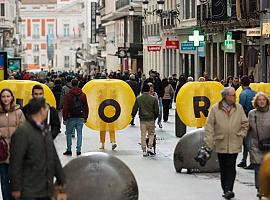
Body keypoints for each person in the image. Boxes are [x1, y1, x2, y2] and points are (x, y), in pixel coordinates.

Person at [10, 97, 65, 200]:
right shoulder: (22, 133)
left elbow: (53, 156)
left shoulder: (44, 130)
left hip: (45, 188)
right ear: (41, 110)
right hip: (28, 191)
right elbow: (16, 162)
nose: (47, 110)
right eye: (46, 108)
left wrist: (61, 179)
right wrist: (16, 187)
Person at [204, 87, 249, 199]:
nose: (234, 97)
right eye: (232, 95)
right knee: (223, 167)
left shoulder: (239, 108)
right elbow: (209, 126)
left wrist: (242, 134)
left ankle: (229, 189)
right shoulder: (215, 109)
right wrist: (209, 142)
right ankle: (225, 188)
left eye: (234, 95)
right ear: (225, 96)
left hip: (235, 141)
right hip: (221, 142)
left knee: (231, 166)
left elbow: (245, 123)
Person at [0, 89, 25, 200]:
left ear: (12, 98)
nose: (5, 99)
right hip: (2, 152)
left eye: (8, 96)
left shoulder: (18, 112)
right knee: (4, 181)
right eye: (3, 96)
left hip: (16, 152)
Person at [248, 92, 270, 198]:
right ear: (256, 102)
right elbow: (247, 128)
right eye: (259, 100)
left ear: (267, 101)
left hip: (269, 145)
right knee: (258, 168)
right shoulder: (252, 113)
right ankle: (259, 188)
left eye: (263, 99)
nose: (261, 101)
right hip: (256, 144)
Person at [62, 79, 89, 156]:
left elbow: (65, 107)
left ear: (71, 84)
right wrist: (86, 117)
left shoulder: (68, 95)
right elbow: (86, 107)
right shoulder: (83, 95)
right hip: (80, 116)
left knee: (69, 134)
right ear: (78, 84)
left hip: (71, 117)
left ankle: (69, 150)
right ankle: (78, 150)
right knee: (79, 133)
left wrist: (65, 117)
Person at [132, 84, 159, 157]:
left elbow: (135, 108)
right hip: (151, 119)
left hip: (142, 119)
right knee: (151, 134)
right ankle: (150, 147)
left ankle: (144, 150)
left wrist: (132, 116)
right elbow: (157, 110)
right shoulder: (153, 99)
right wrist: (155, 117)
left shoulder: (139, 98)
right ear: (148, 90)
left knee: (143, 135)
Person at [238, 75, 257, 169]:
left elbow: (240, 108)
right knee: (251, 140)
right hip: (255, 118)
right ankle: (244, 160)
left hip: (246, 118)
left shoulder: (243, 94)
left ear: (241, 84)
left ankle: (250, 161)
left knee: (246, 141)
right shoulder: (255, 92)